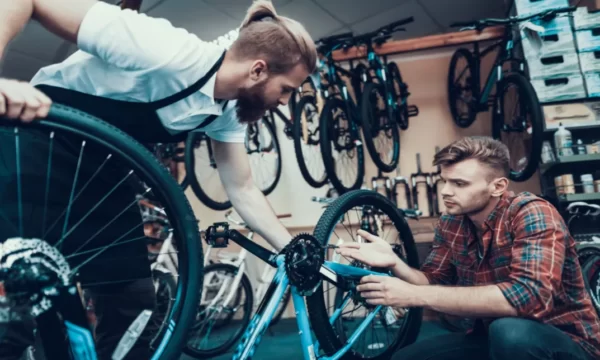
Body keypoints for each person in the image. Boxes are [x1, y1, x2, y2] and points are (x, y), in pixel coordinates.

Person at [0, 0, 316, 359]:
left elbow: (242, 188)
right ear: (258, 70)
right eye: (287, 90)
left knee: (132, 304)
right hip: (39, 144)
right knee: (18, 301)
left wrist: (290, 248)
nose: (285, 103)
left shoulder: (228, 111)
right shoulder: (169, 50)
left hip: (104, 168)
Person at [337, 136, 600, 360]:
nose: (446, 191)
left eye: (459, 184)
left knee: (510, 332)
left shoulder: (532, 213)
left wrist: (412, 295)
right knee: (406, 358)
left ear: (498, 187)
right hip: (495, 335)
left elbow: (527, 298)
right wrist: (395, 262)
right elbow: (432, 280)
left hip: (566, 340)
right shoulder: (452, 222)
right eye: (445, 181)